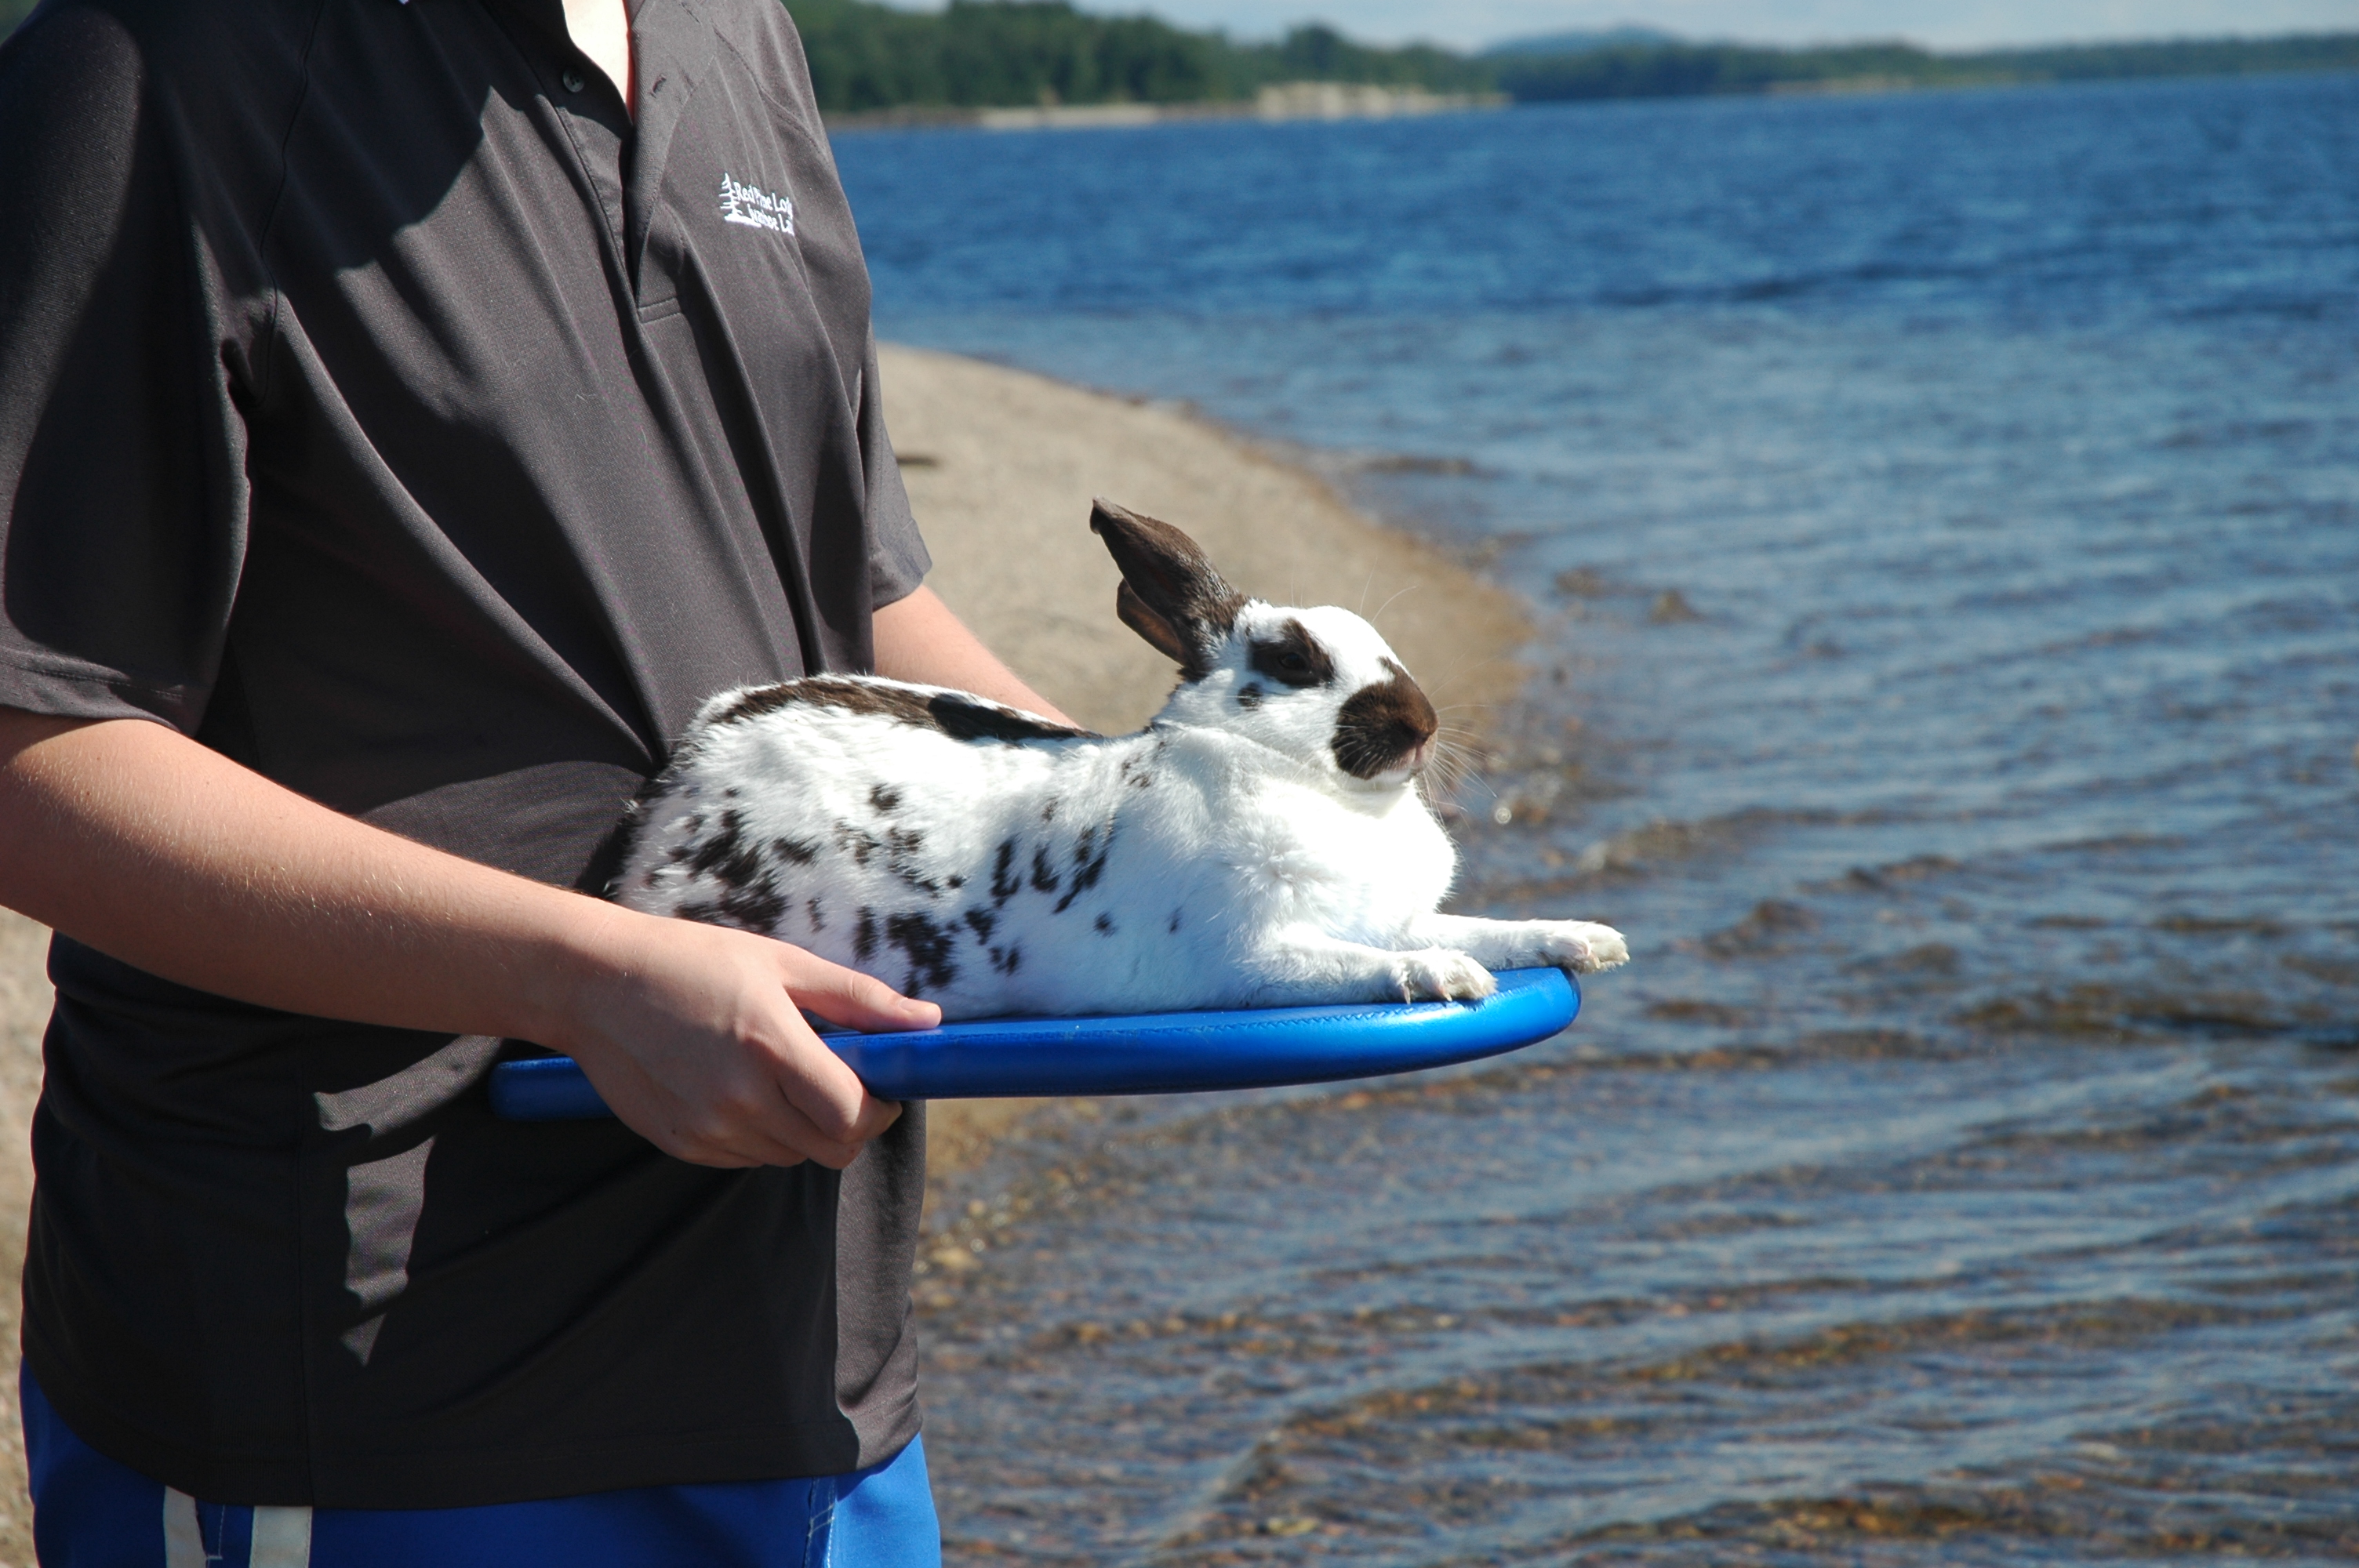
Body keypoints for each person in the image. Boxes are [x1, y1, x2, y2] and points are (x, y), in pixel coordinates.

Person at [0, 0, 1069, 1558]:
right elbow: (31, 745)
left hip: (810, 1354)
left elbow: (841, 584)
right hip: (379, 1377)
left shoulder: (737, 30)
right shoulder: (152, 61)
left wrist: (1149, 813)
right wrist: (581, 980)